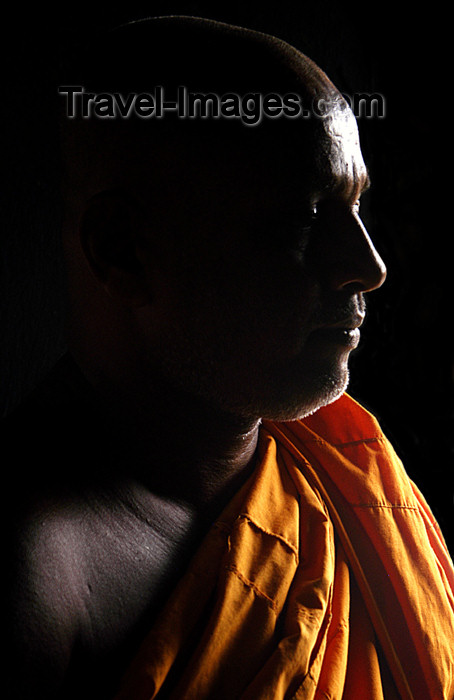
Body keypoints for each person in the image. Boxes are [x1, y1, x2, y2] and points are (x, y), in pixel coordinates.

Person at [4, 15, 453, 700]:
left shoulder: (349, 490)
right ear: (125, 251)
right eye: (306, 219)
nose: (369, 266)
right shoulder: (38, 567)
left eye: (357, 207)